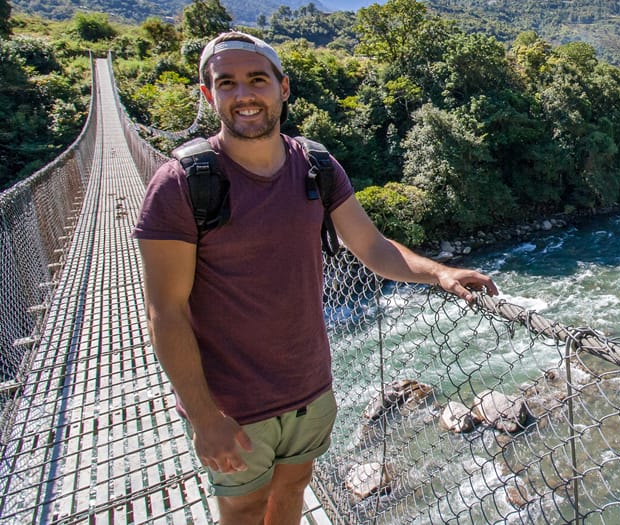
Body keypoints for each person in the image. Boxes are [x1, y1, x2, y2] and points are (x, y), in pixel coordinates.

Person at [134, 31, 497, 525]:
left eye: (257, 80)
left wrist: (439, 272)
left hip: (309, 387)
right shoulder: (182, 183)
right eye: (227, 83)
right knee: (242, 509)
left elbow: (371, 247)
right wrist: (203, 417)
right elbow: (165, 311)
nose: (244, 95)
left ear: (283, 88)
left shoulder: (315, 167)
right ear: (208, 95)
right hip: (232, 403)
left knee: (293, 491)